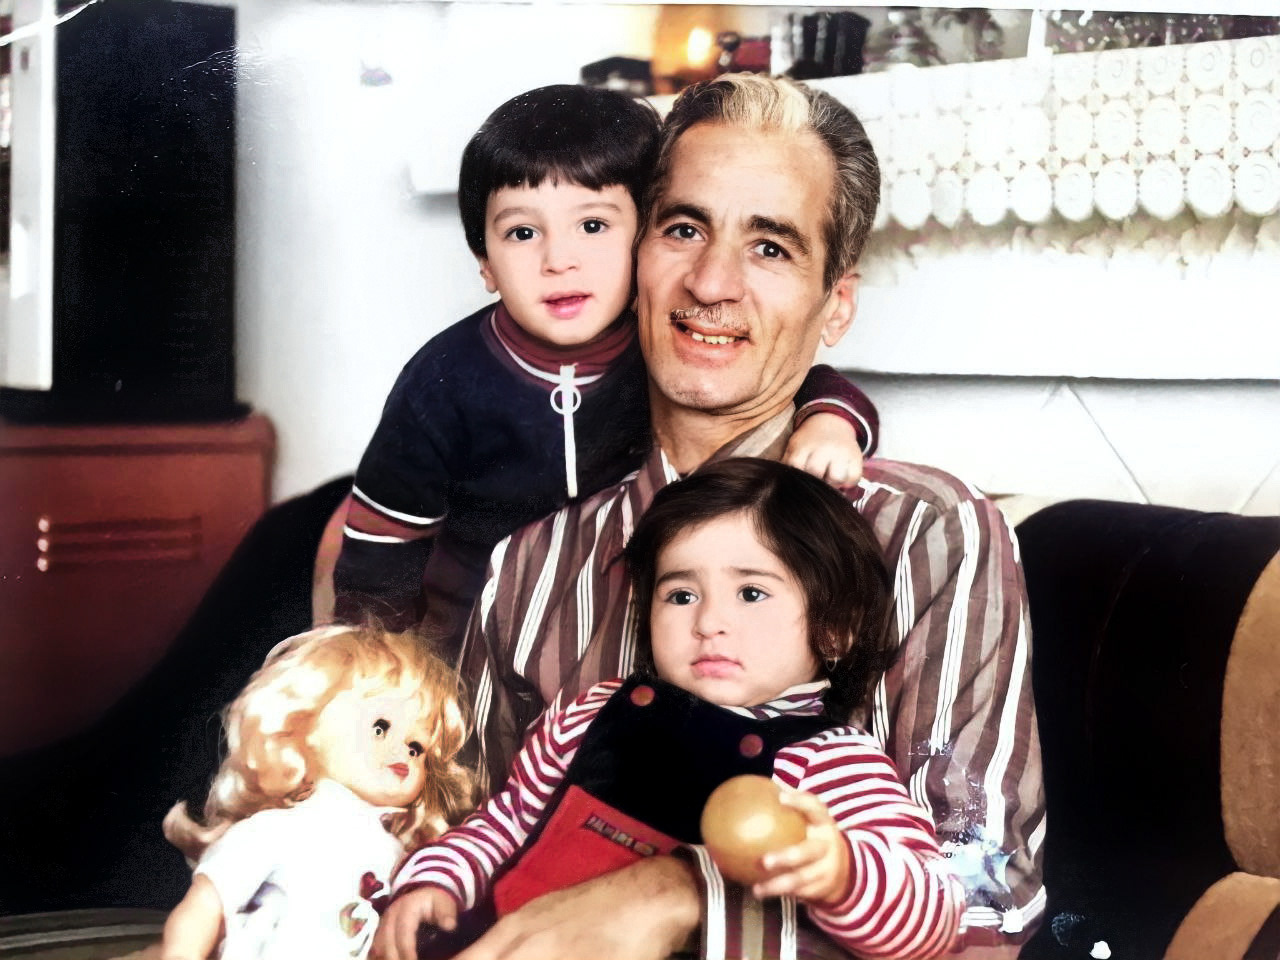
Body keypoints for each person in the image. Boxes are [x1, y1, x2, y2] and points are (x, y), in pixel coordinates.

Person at [379, 73, 1045, 959]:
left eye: (770, 247)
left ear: (835, 305)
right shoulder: (532, 560)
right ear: (634, 259)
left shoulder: (929, 534)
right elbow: (460, 823)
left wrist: (680, 890)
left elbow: (987, 900)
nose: (711, 282)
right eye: (683, 229)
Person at [330, 83, 879, 651]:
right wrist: (370, 658)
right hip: (462, 630)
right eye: (522, 233)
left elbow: (806, 380)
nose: (559, 261)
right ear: (485, 263)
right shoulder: (443, 378)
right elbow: (380, 544)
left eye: (593, 226)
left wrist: (831, 422)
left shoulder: (660, 345)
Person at [377, 458, 966, 960]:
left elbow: (935, 916)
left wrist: (843, 874)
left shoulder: (831, 763)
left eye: (752, 592)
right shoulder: (591, 713)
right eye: (681, 594)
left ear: (834, 629)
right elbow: (506, 823)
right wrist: (435, 883)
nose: (709, 621)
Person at [158, 624, 472, 960]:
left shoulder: (404, 857)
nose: (402, 753)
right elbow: (205, 905)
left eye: (416, 748)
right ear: (305, 727)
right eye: (380, 728)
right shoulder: (279, 829)